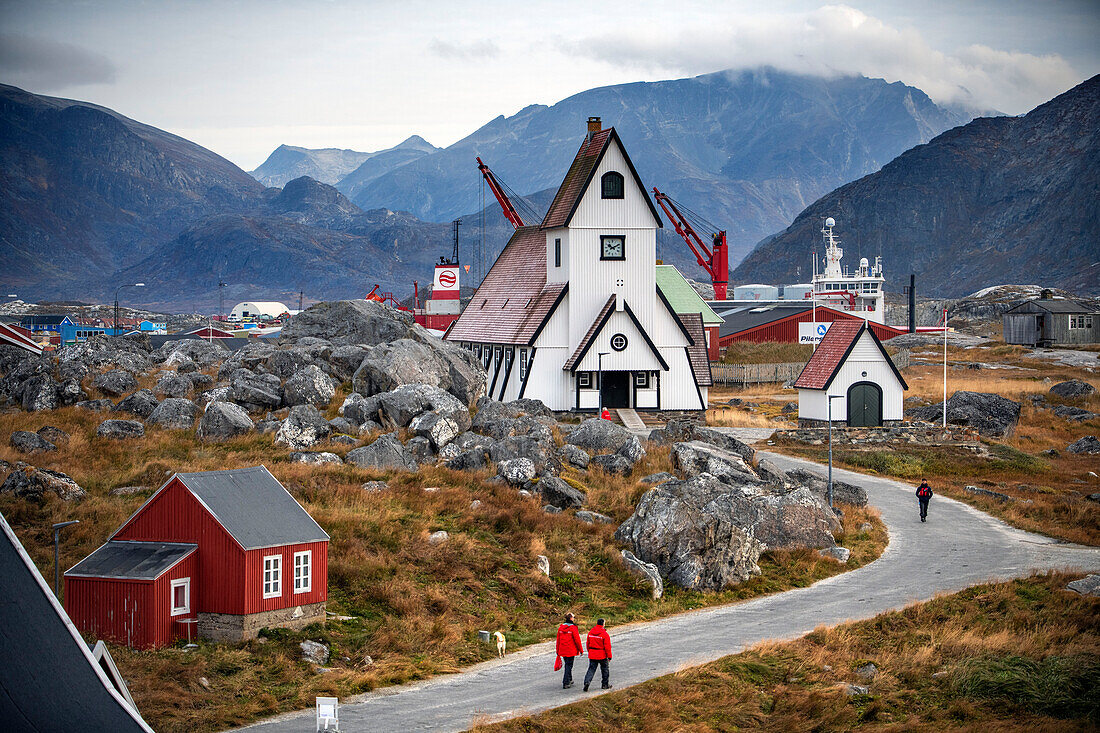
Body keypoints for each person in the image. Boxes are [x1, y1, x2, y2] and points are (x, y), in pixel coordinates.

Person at [583, 618, 612, 691]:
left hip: (593, 654)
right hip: (602, 655)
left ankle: (587, 682)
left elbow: (588, 644)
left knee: (591, 669)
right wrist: (609, 656)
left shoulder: (591, 632)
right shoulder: (604, 634)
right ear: (603, 624)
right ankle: (605, 684)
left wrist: (590, 651)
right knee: (605, 669)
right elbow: (607, 647)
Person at [555, 613, 583, 689]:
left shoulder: (561, 627)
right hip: (570, 650)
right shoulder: (573, 628)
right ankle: (566, 682)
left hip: (562, 649)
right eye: (574, 617)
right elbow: (577, 640)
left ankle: (570, 679)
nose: (574, 618)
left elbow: (558, 640)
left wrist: (557, 650)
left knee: (567, 664)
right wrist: (581, 650)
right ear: (571, 618)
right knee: (569, 666)